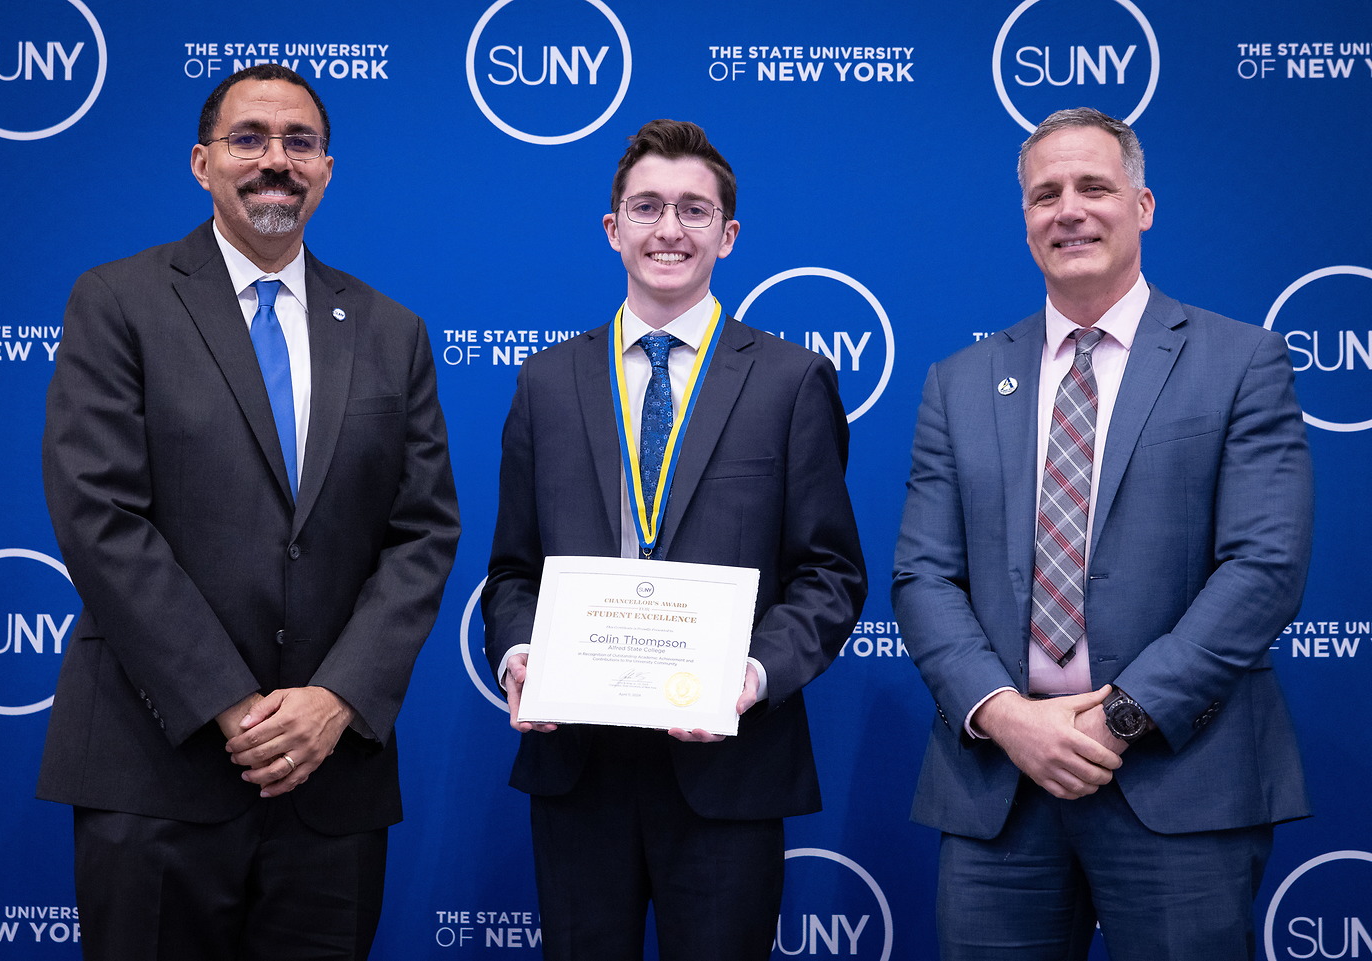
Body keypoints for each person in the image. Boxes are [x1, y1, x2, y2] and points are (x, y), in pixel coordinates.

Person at [38, 64, 460, 960]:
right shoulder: (119, 302)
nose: (277, 161)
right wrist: (232, 704)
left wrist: (337, 699)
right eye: (250, 139)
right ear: (202, 163)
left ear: (328, 169)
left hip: (331, 779)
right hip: (157, 764)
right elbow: (98, 516)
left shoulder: (392, 329)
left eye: (299, 142)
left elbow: (423, 532)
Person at [892, 106, 1314, 960]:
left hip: (1178, 779)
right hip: (998, 787)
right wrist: (1008, 716)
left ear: (1144, 204)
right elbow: (924, 577)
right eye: (1045, 194)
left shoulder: (1241, 362)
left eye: (1094, 185)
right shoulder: (959, 382)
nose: (1069, 209)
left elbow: (1264, 567)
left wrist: (1117, 717)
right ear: (1025, 220)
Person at [481, 119, 867, 961]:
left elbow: (831, 576)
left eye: (694, 211)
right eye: (647, 207)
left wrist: (751, 673)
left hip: (728, 769)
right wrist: (519, 655)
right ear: (612, 227)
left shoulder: (791, 380)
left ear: (727, 235)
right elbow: (511, 570)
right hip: (579, 769)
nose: (669, 230)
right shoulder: (547, 380)